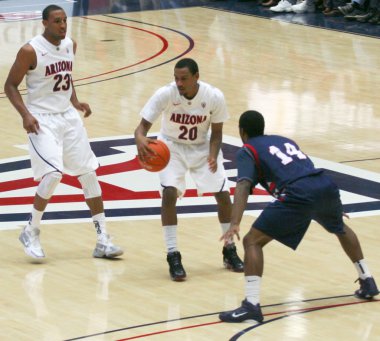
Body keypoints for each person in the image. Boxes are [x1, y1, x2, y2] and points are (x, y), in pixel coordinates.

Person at [219, 110, 379, 323]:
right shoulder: (284, 141)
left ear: (242, 132)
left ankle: (251, 305)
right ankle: (367, 279)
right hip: (323, 184)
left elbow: (242, 184)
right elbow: (306, 166)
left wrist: (235, 222)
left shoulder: (247, 150)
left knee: (251, 241)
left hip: (298, 193)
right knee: (338, 226)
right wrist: (329, 204)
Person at [4, 4, 123, 260]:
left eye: (65, 20)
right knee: (53, 174)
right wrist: (25, 114)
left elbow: (66, 78)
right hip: (41, 119)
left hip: (68, 118)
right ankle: (31, 230)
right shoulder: (30, 50)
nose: (62, 25)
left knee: (88, 173)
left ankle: (103, 238)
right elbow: (10, 85)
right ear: (44, 23)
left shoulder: (71, 45)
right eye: (57, 21)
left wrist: (75, 102)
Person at [134, 58, 243, 281]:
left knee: (223, 195)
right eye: (176, 78)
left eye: (184, 79)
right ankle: (173, 254)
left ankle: (229, 249)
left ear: (196, 77)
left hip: (202, 147)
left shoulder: (214, 96)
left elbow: (218, 132)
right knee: (169, 193)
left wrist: (213, 154)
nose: (179, 83)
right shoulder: (166, 93)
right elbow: (141, 129)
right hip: (171, 147)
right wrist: (140, 140)